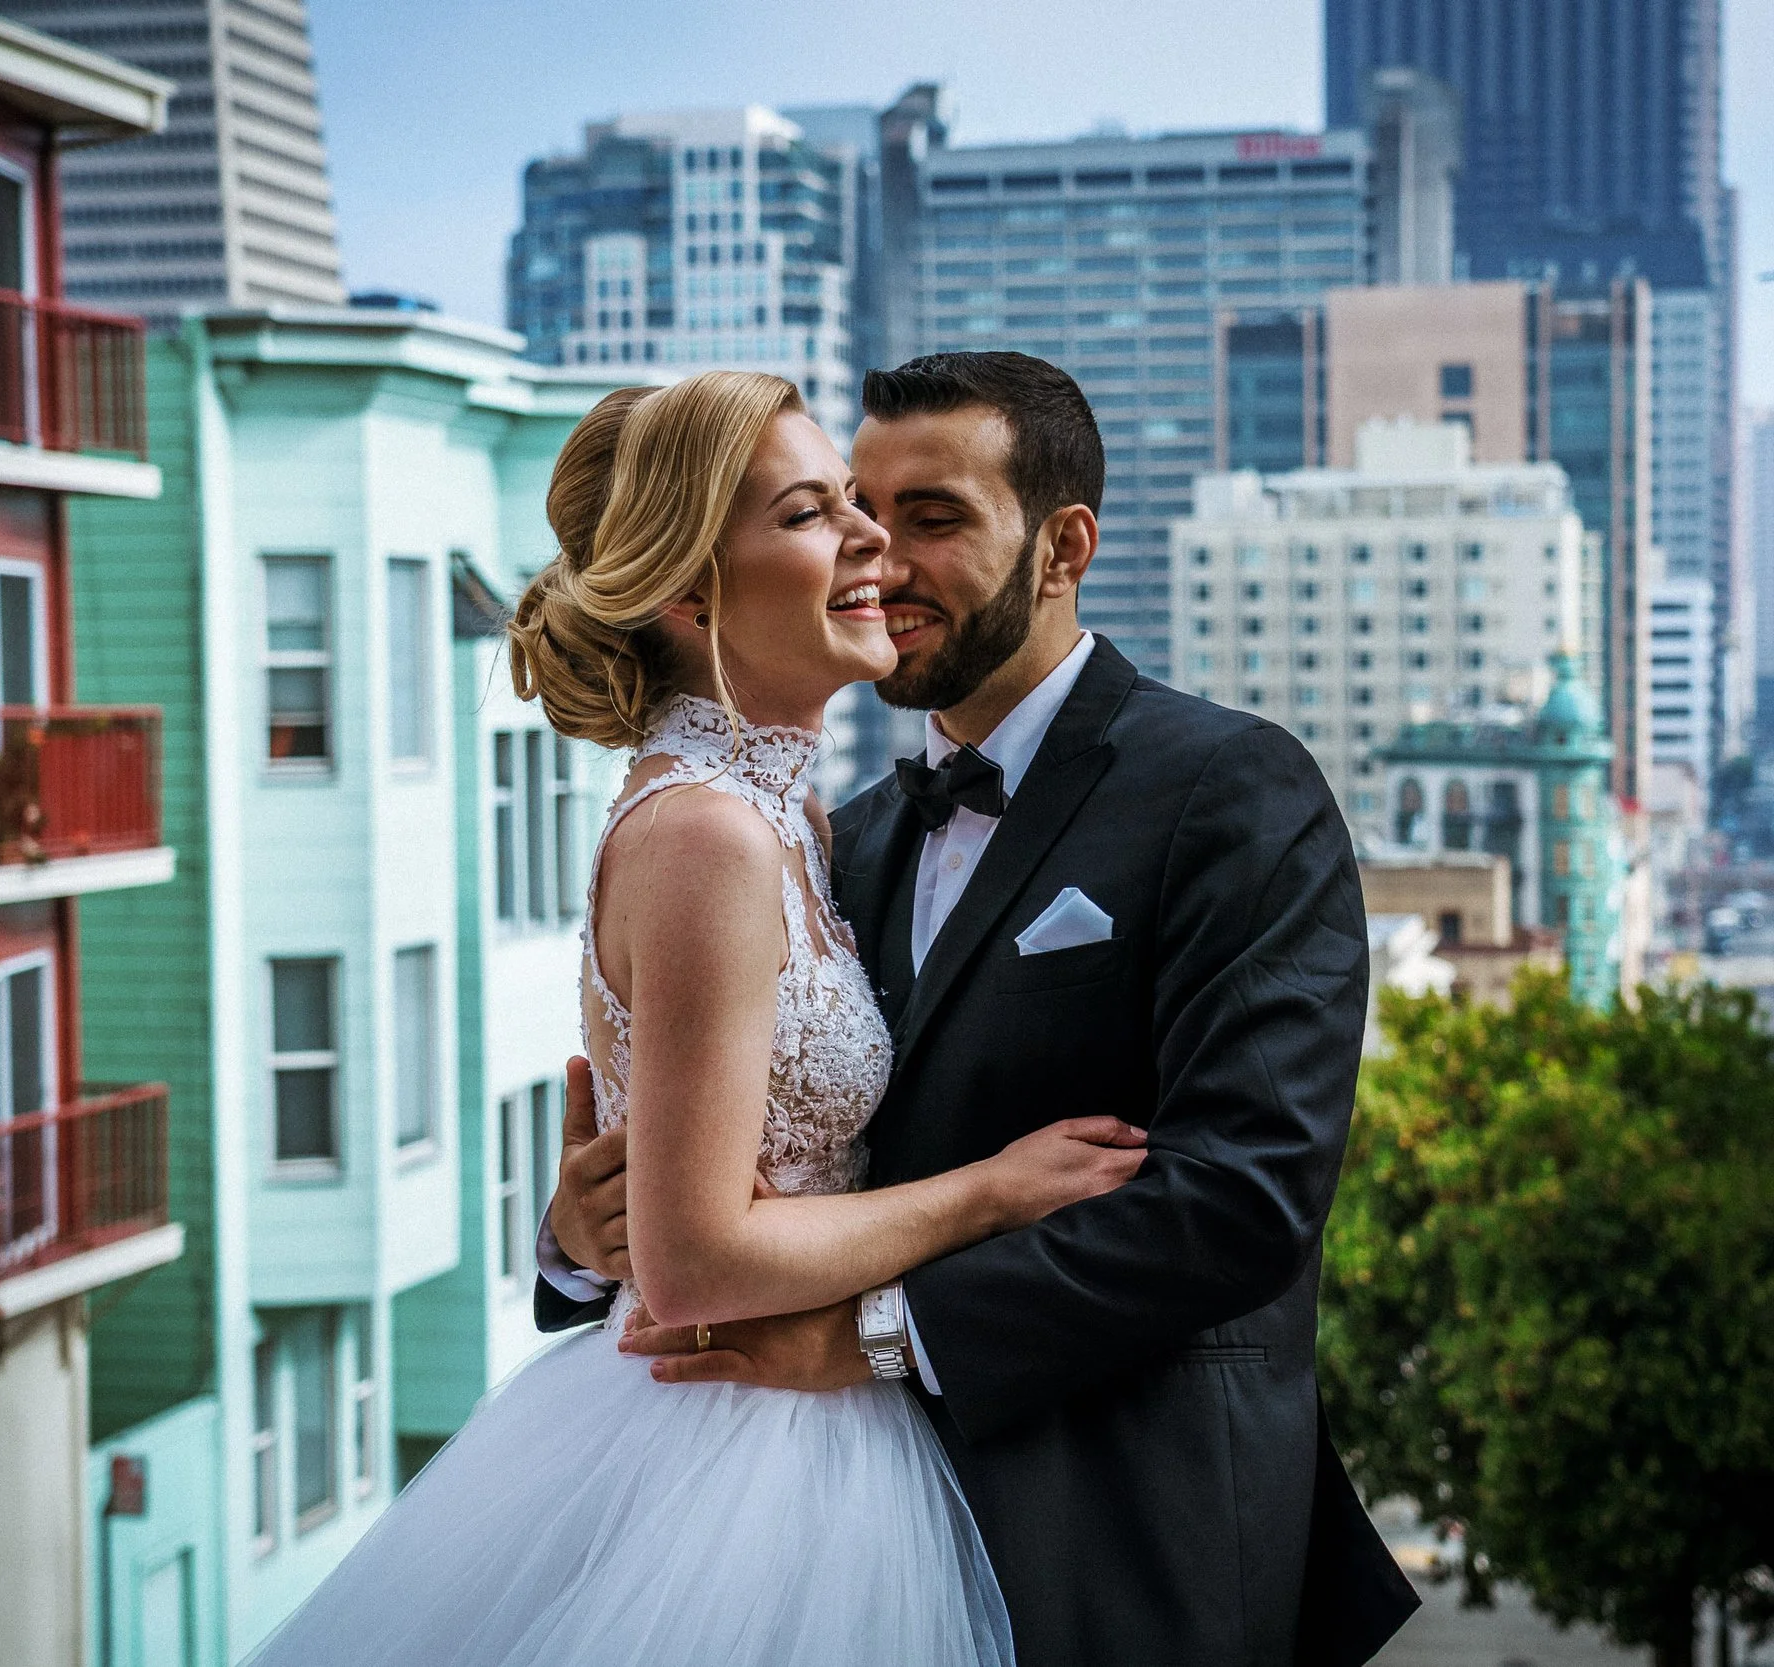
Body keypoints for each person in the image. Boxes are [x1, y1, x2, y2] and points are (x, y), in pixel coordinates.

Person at [242, 370, 1155, 1666]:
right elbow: (693, 1261)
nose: (868, 539)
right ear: (687, 589)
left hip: (821, 1423)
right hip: (736, 1450)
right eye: (809, 512)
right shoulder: (708, 834)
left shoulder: (793, 816)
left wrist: (580, 1227)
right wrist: (994, 1192)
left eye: (860, 503)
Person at [542, 353, 1421, 1665]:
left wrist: (875, 1335)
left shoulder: (1233, 787)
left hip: (1126, 1557)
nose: (879, 554)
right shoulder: (849, 832)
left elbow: (1246, 1195)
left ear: (1063, 547)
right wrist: (574, 1236)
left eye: (931, 517)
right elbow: (761, 1158)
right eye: (854, 507)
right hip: (832, 1531)